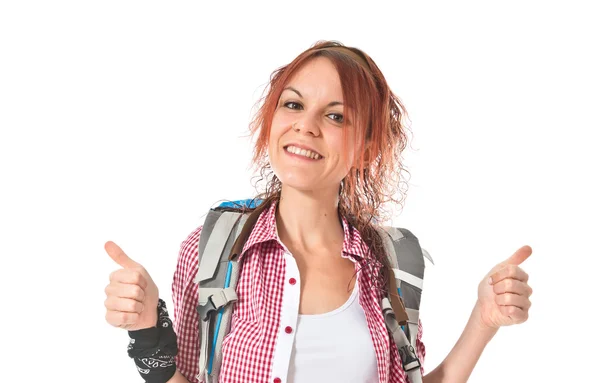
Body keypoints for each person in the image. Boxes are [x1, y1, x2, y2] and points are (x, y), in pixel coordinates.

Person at [103, 40, 533, 383]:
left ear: (366, 148)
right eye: (293, 105)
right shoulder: (213, 250)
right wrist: (146, 334)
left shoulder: (393, 263)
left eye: (336, 116)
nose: (306, 125)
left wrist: (483, 321)